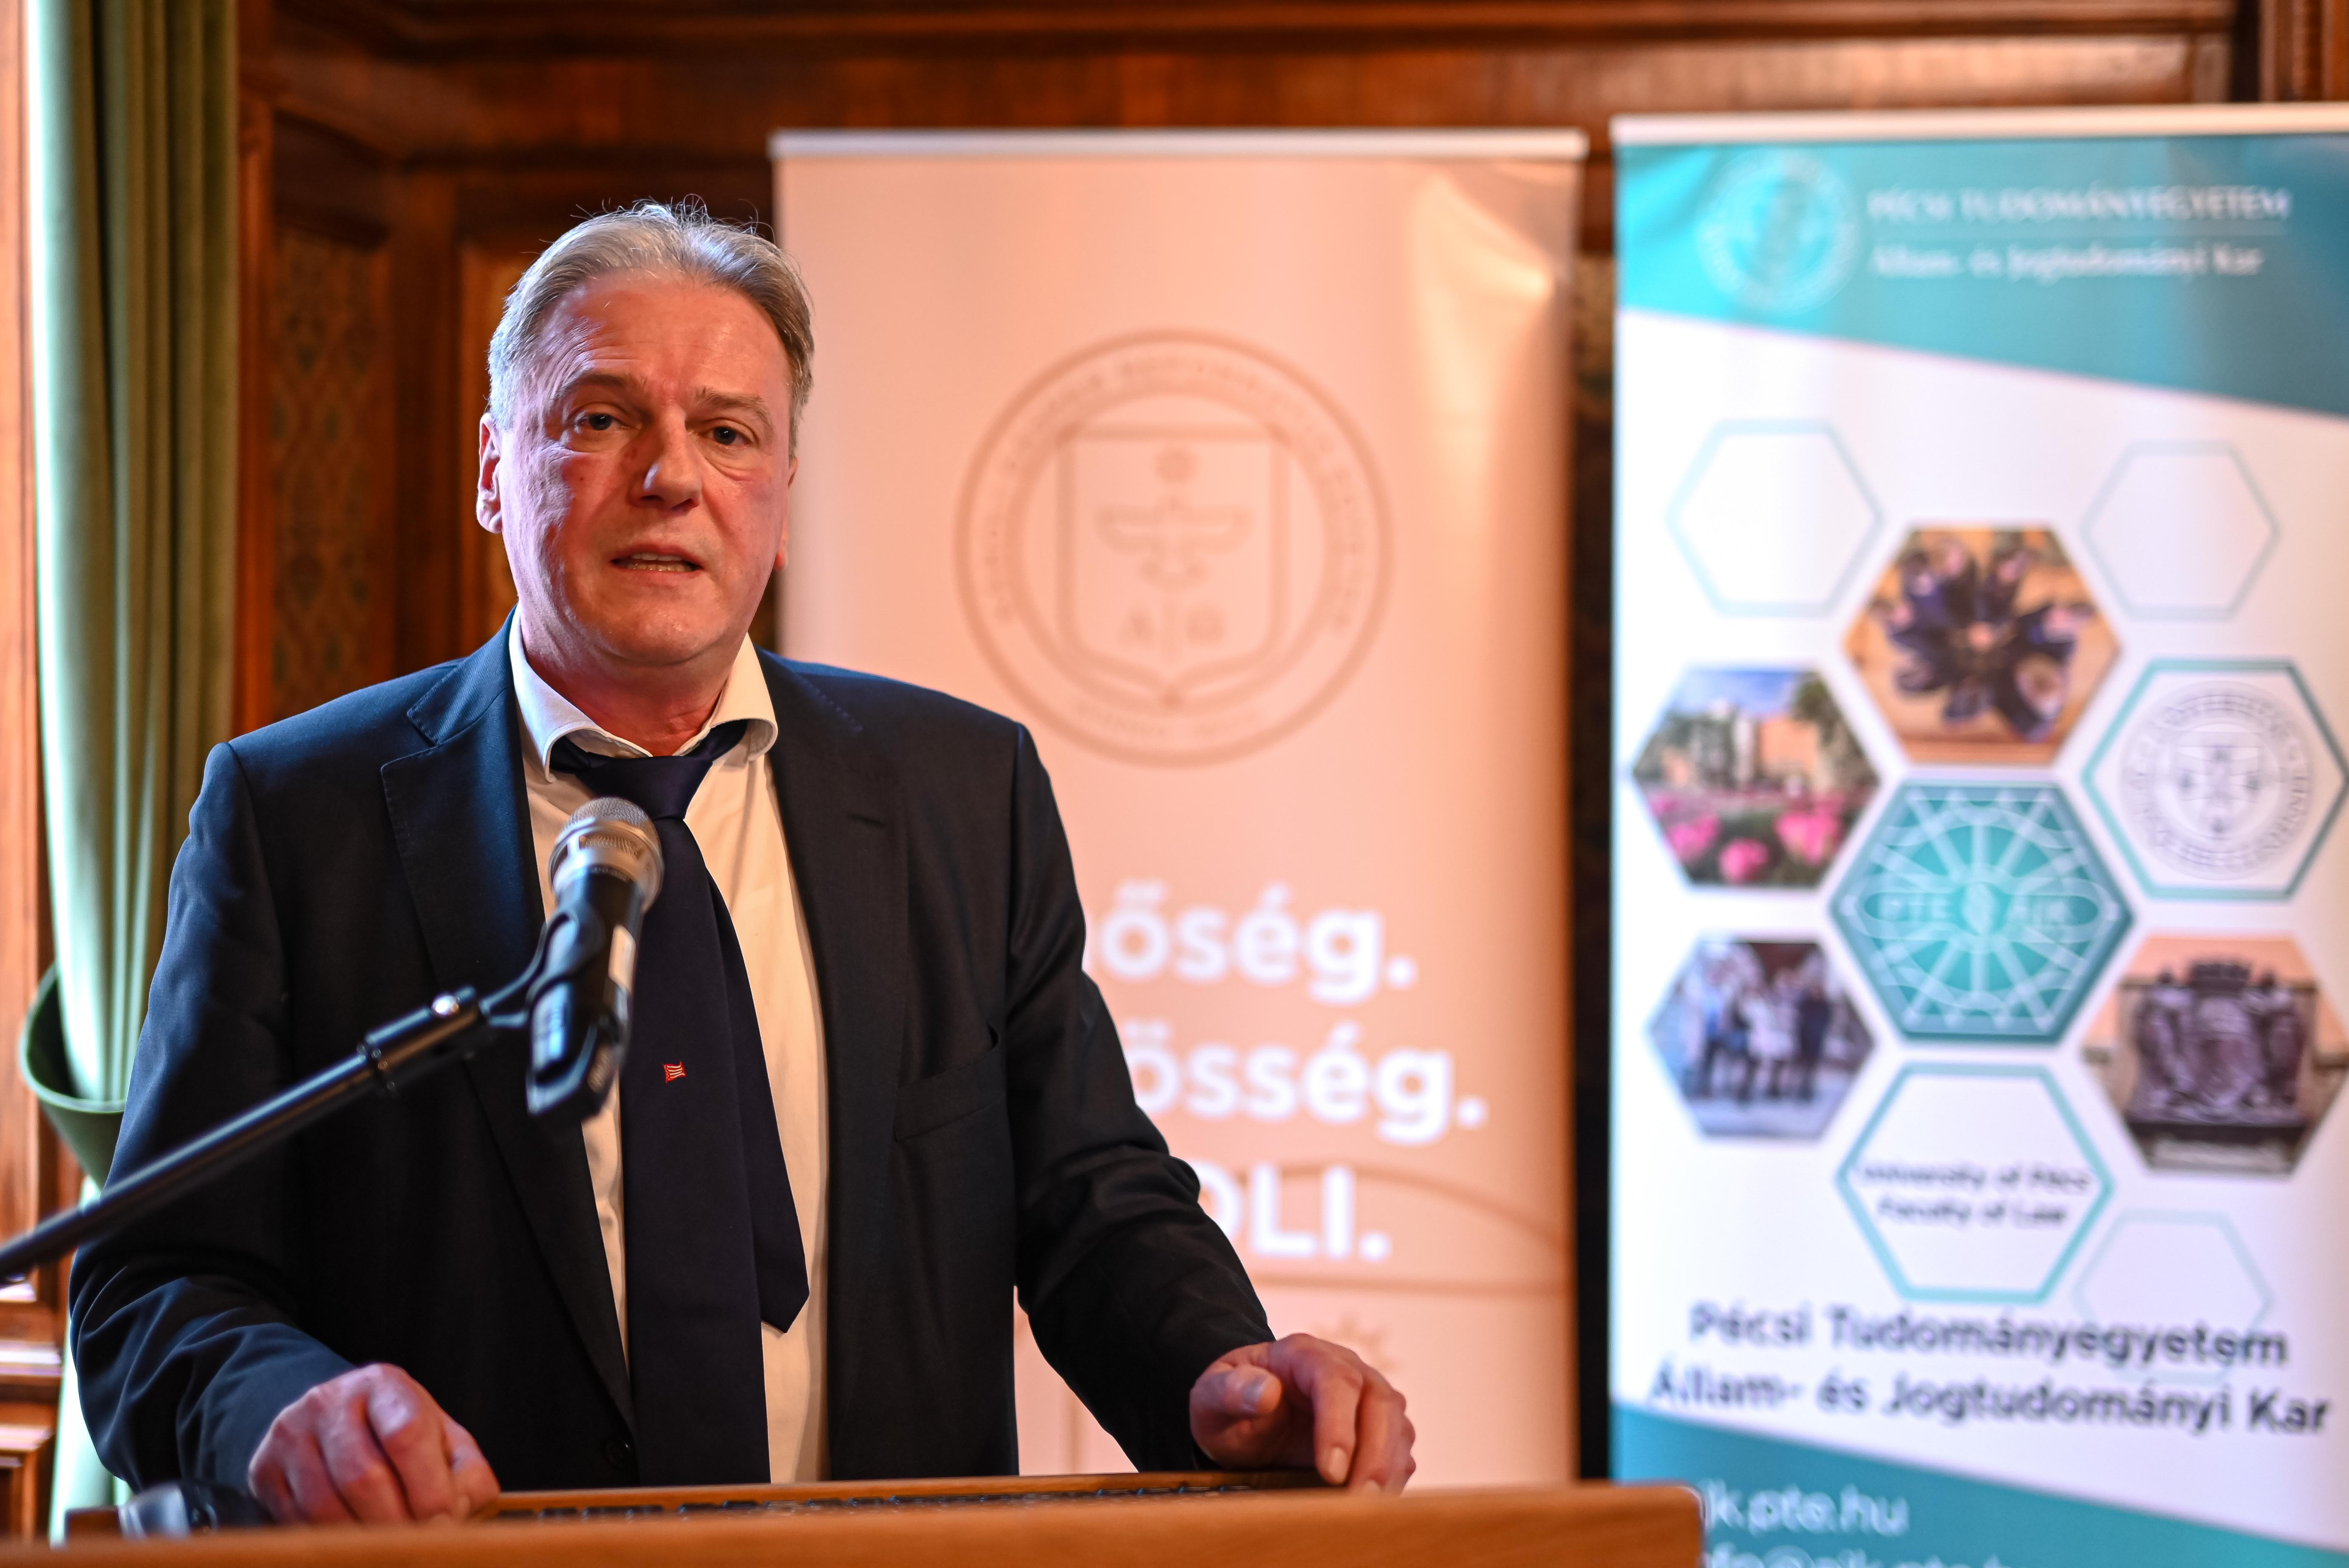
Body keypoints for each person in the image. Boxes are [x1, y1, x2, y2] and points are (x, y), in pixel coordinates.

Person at [71, 202, 1413, 1524]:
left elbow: (1092, 1202)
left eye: (726, 432)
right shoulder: (297, 816)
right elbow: (156, 1282)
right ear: (492, 469)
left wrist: (1225, 1371)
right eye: (602, 419)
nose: (672, 478)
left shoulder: (961, 792)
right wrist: (281, 1407)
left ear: (781, 490)